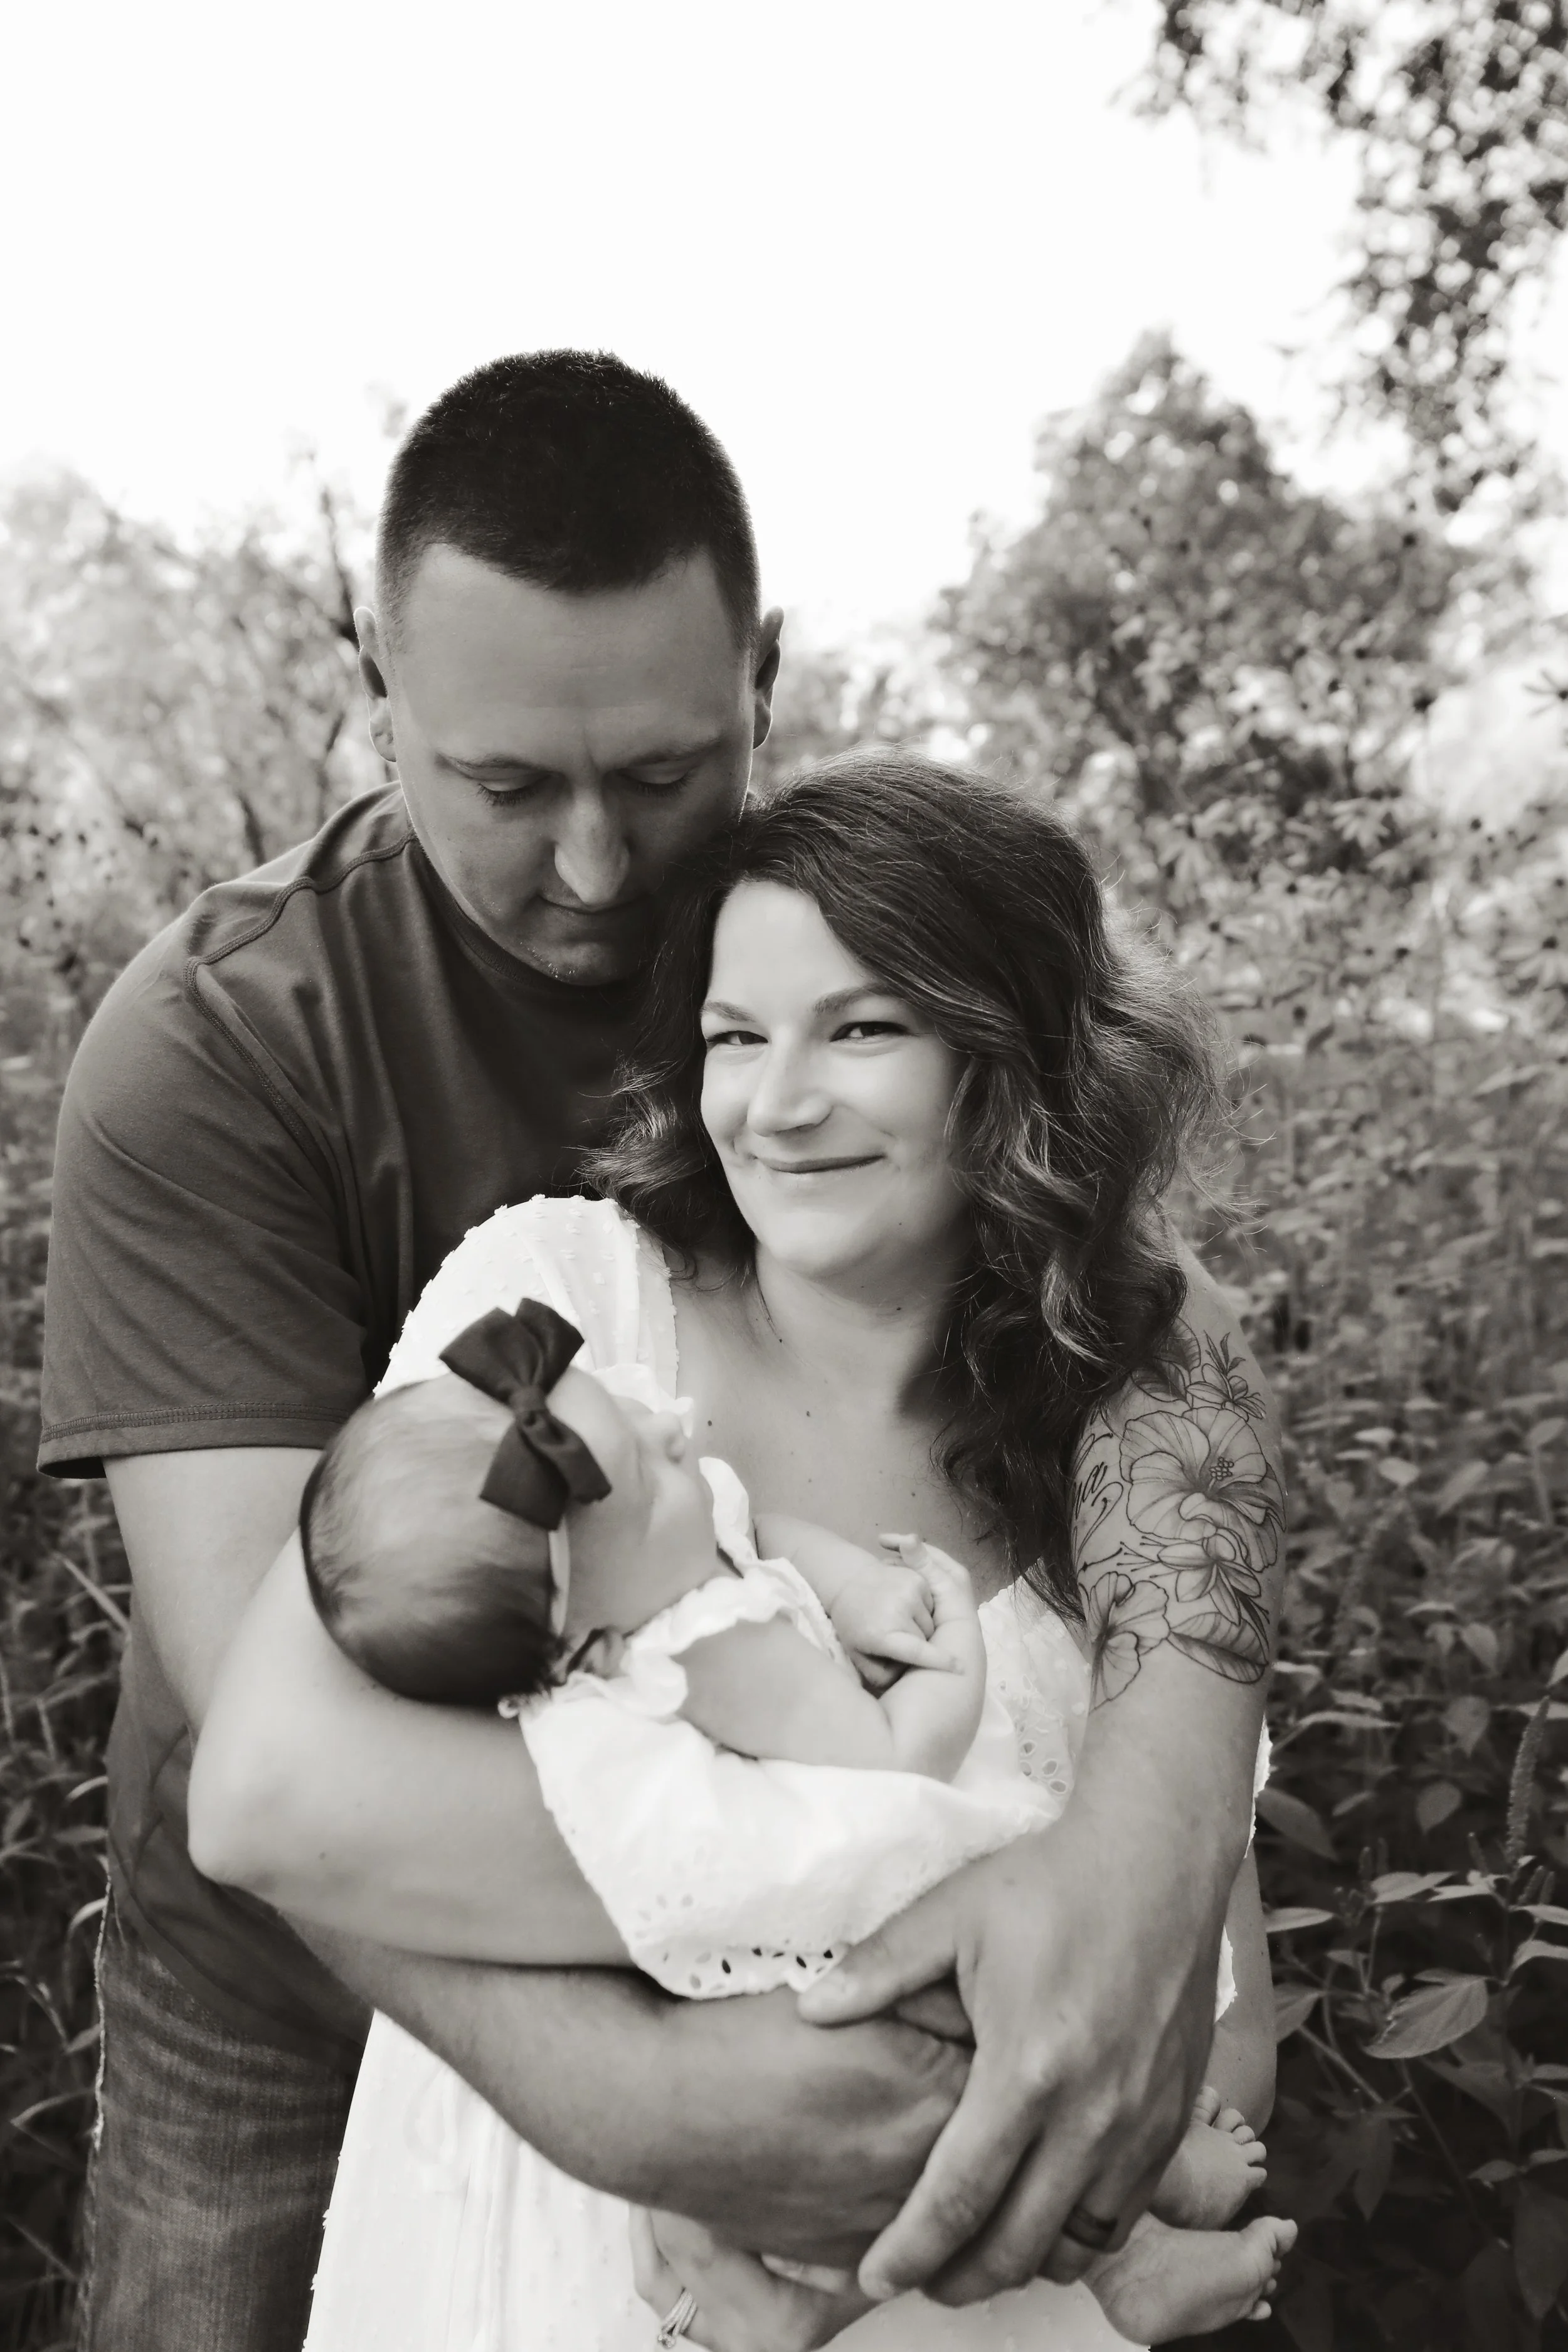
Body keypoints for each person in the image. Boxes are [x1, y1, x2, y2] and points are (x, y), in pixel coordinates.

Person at [189, 756, 1289, 2351]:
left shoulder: (1124, 1455)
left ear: (1016, 1060)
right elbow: (281, 1785)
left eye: (861, 1029)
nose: (775, 1103)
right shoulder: (563, 1317)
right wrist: (704, 2085)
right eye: (732, 1036)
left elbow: (1207, 1981)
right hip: (552, 2263)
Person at [282, 1285, 1293, 2348]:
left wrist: (848, 1589)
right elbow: (895, 1757)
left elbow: (749, 1522)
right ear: (586, 1640)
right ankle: (1140, 2210)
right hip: (843, 1893)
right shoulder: (705, 1649)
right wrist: (949, 1655)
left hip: (748, 1926)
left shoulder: (640, 1569)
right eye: (649, 1457)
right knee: (990, 2030)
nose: (674, 1424)